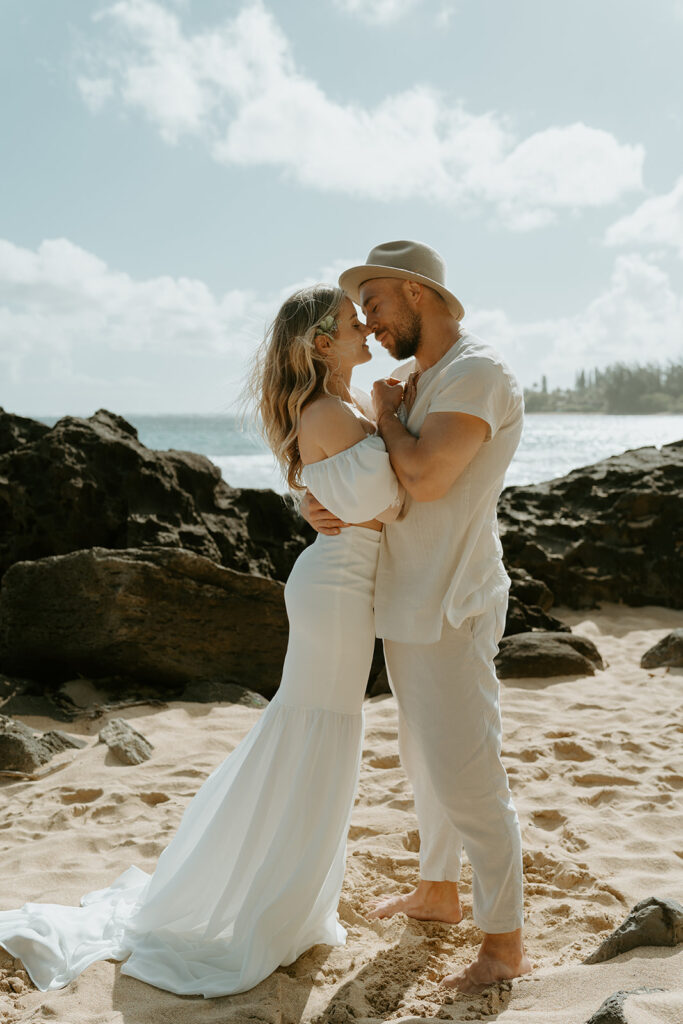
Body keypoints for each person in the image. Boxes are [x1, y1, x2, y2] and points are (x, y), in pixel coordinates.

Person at [0, 285, 403, 998]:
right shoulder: (328, 412)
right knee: (315, 732)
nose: (364, 330)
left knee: (314, 733)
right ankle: (265, 907)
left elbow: (360, 495)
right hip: (337, 591)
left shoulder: (339, 411)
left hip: (341, 586)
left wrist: (373, 437)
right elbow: (390, 498)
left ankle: (286, 901)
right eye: (350, 324)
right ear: (319, 343)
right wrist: (395, 426)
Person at [302, 240, 531, 993]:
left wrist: (384, 419)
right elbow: (374, 480)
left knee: (468, 772)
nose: (368, 323)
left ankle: (502, 944)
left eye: (374, 305)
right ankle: (437, 890)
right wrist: (319, 498)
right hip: (405, 597)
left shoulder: (476, 373)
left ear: (416, 293)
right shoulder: (412, 380)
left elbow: (426, 476)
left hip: (452, 599)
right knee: (423, 759)